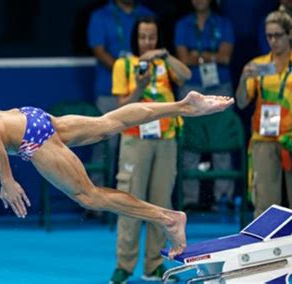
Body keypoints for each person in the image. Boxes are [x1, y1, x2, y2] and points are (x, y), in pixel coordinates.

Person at [0, 92, 233, 258]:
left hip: (27, 137)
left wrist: (6, 180)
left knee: (87, 196)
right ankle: (185, 106)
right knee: (106, 125)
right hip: (27, 117)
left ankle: (168, 218)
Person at [109, 16, 191, 283]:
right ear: (135, 38)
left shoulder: (164, 63)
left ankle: (155, 264)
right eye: (143, 37)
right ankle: (124, 265)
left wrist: (164, 56)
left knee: (161, 205)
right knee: (129, 202)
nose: (147, 42)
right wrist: (140, 87)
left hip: (166, 138)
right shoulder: (124, 64)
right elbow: (120, 105)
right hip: (135, 139)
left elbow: (186, 75)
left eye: (152, 37)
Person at [236, 6, 292, 228]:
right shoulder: (259, 66)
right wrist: (243, 77)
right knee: (264, 206)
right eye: (269, 36)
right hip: (264, 139)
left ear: (290, 34)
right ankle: (265, 259)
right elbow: (242, 101)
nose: (273, 41)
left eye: (278, 35)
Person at [174, 0, 235, 210]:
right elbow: (182, 58)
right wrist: (211, 56)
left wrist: (196, 56)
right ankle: (189, 198)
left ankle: (223, 197)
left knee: (222, 139)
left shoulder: (223, 23)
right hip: (191, 87)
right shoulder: (182, 25)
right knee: (191, 141)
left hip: (220, 85)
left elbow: (226, 57)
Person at [87, 0, 154, 191]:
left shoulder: (146, 14)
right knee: (105, 145)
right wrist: (125, 71)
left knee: (140, 145)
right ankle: (97, 196)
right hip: (109, 92)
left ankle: (136, 195)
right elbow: (99, 50)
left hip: (144, 91)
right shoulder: (100, 16)